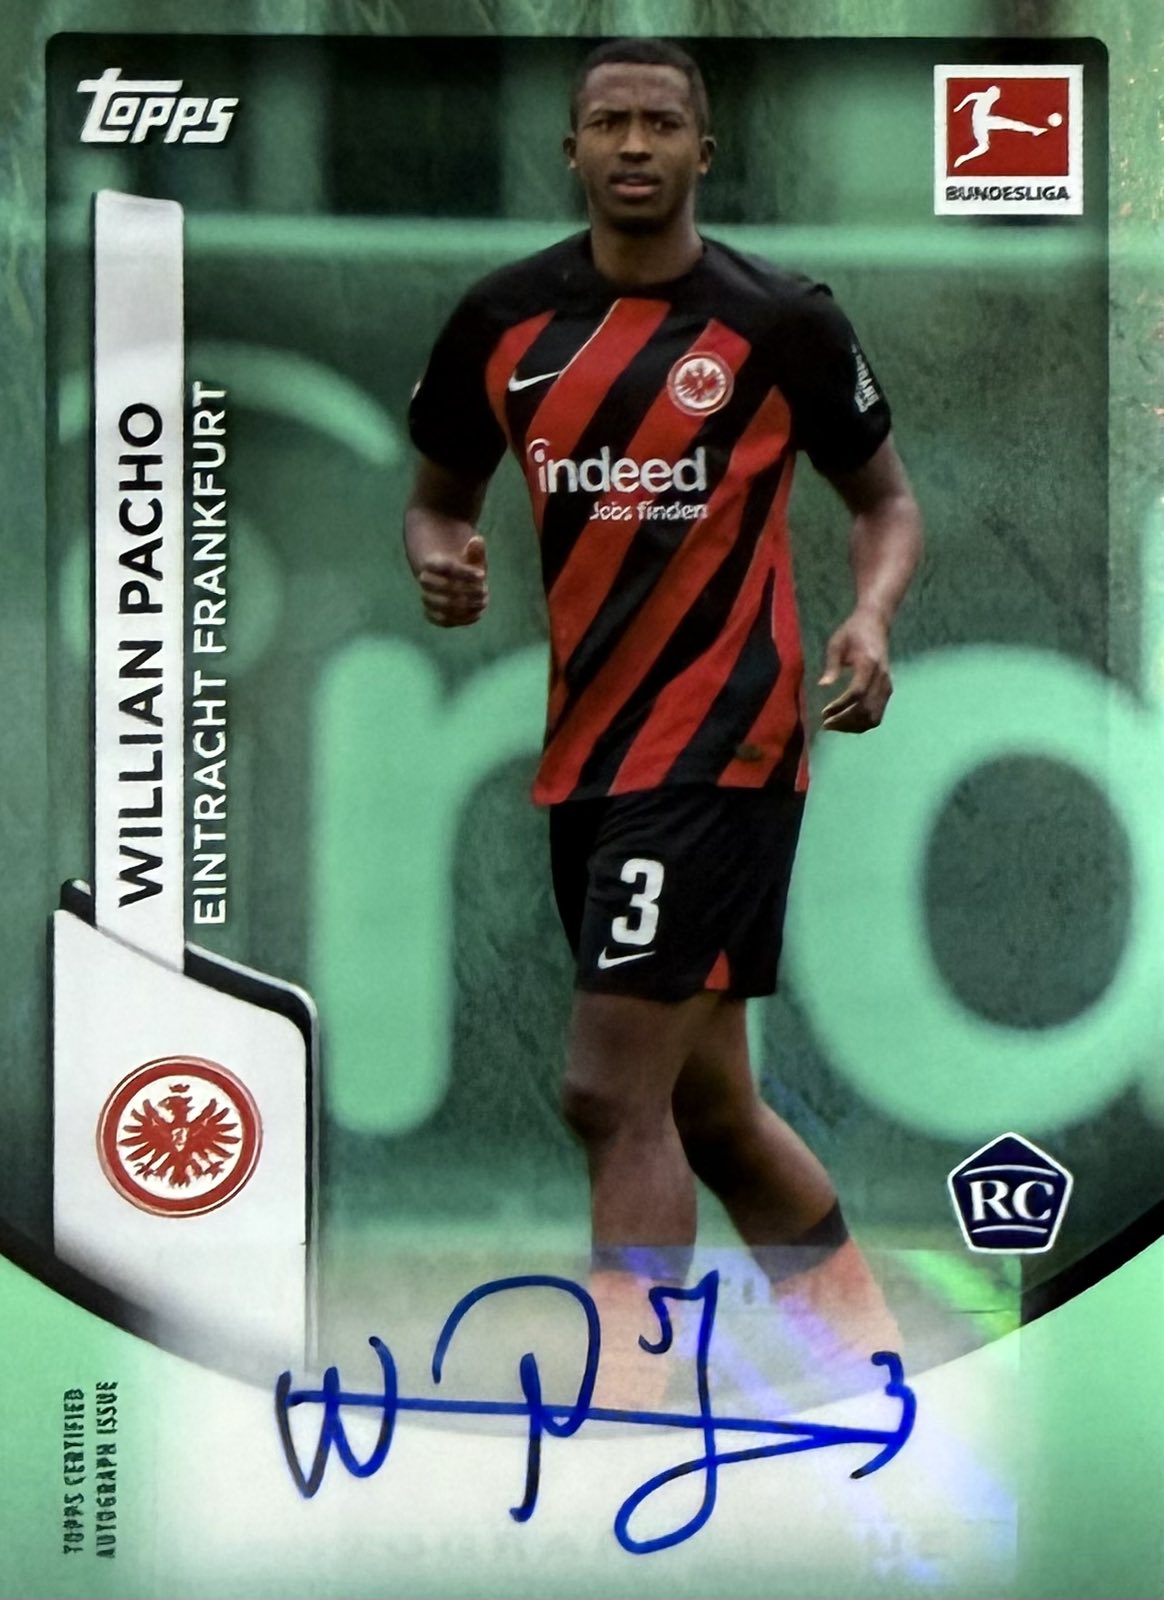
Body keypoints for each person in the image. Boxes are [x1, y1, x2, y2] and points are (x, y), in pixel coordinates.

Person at [405, 37, 924, 1390]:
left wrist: (871, 615)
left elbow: (885, 503)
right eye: (608, 122)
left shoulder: (779, 321)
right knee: (715, 1109)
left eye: (660, 122)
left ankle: (632, 1402)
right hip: (585, 759)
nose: (634, 144)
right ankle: (882, 1376)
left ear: (704, 150)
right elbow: (438, 495)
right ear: (570, 150)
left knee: (607, 1092)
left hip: (723, 746)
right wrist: (439, 555)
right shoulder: (501, 320)